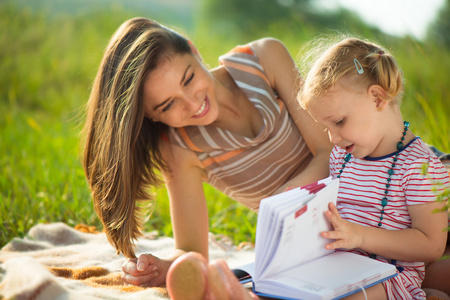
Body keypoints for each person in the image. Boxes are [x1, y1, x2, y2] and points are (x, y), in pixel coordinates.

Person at [81, 17, 332, 288]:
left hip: (363, 197)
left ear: (194, 50)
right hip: (306, 241)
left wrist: (280, 202)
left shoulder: (264, 60)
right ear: (150, 116)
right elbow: (192, 251)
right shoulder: (179, 148)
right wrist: (164, 268)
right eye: (167, 106)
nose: (192, 103)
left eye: (188, 79)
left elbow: (329, 153)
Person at [297, 37, 450, 299]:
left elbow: (432, 245)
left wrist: (360, 237)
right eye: (327, 128)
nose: (333, 138)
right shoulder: (341, 158)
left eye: (339, 122)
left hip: (389, 277)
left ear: (377, 99)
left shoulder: (421, 167)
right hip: (337, 270)